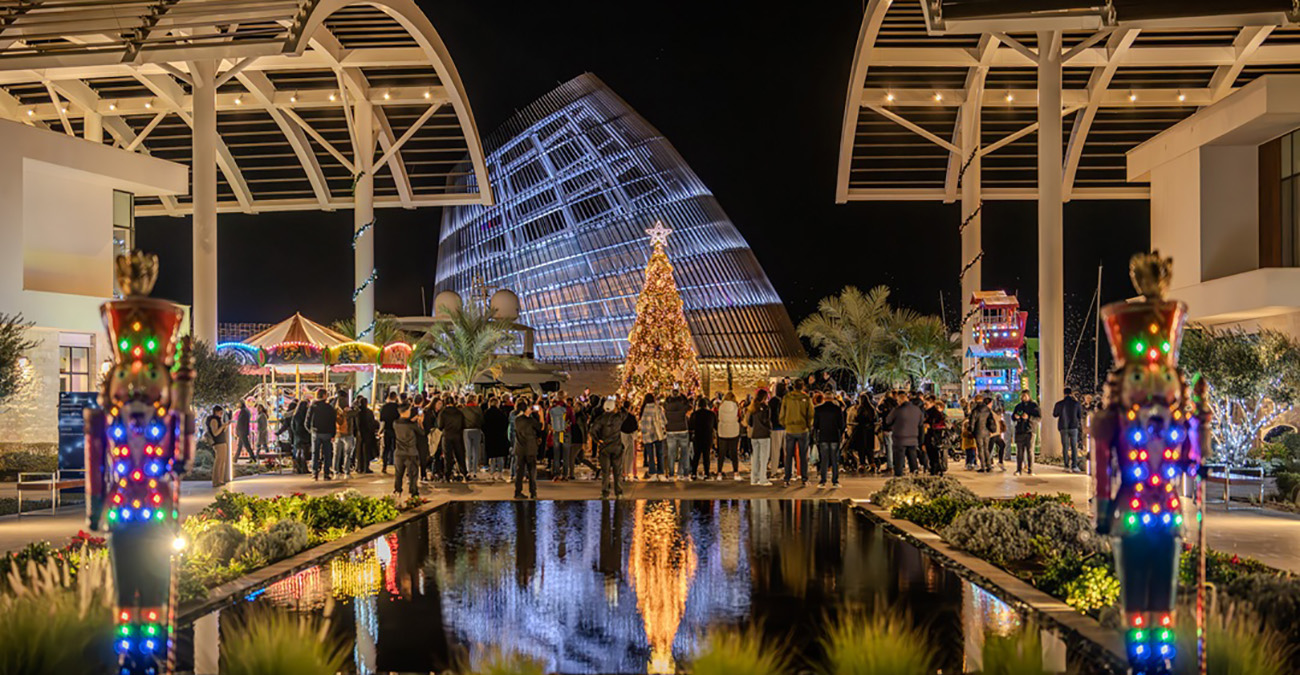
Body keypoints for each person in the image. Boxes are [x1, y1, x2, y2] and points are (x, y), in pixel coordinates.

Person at [780, 379, 814, 487]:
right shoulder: (806, 398)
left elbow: (782, 414)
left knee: (788, 455)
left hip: (790, 429)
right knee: (803, 455)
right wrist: (808, 426)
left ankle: (787, 478)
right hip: (802, 429)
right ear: (802, 386)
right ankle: (804, 478)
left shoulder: (787, 398)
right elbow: (810, 414)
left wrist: (785, 424)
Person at [591, 398, 626, 498]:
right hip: (616, 446)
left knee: (605, 471)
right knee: (617, 471)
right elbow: (625, 413)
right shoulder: (618, 418)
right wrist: (620, 405)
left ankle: (605, 492)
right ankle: (618, 492)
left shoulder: (600, 419)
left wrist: (598, 440)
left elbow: (593, 431)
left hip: (604, 447)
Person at [884, 393, 923, 477]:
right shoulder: (917, 410)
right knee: (913, 458)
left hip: (899, 439)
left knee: (899, 461)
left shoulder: (897, 410)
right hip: (913, 438)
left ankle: (898, 478)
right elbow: (920, 423)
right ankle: (915, 475)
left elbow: (888, 421)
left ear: (900, 400)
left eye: (898, 401)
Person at [812, 391, 845, 488]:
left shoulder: (818, 409)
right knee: (835, 459)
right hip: (834, 436)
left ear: (824, 398)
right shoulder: (837, 409)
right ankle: (835, 481)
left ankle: (823, 481)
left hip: (823, 436)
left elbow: (815, 425)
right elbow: (841, 425)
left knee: (824, 459)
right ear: (833, 398)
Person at [512, 400, 544, 499]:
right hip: (530, 449)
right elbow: (541, 427)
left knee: (519, 472)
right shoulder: (530, 421)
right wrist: (541, 414)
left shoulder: (517, 420)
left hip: (520, 448)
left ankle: (518, 492)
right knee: (532, 471)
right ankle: (533, 492)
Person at [305, 389, 337, 480]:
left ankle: (315, 474)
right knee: (327, 454)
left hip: (316, 433)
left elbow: (307, 421)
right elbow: (332, 421)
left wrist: (311, 431)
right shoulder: (329, 408)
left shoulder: (313, 407)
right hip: (327, 433)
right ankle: (326, 473)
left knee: (315, 454)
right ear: (324, 396)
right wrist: (333, 434)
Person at [391, 403, 422, 498]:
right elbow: (422, 432)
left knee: (398, 474)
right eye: (408, 410)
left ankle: (398, 490)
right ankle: (413, 492)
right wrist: (419, 422)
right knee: (413, 475)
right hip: (411, 452)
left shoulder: (395, 423)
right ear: (405, 412)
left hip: (399, 452)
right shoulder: (412, 425)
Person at [662, 385, 691, 480]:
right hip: (683, 429)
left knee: (671, 453)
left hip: (671, 431)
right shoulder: (683, 405)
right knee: (684, 452)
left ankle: (671, 474)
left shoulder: (667, 407)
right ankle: (685, 474)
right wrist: (682, 395)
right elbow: (688, 404)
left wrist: (669, 396)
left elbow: (664, 403)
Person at [1053, 387, 1085, 472]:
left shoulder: (1059, 404)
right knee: (1074, 446)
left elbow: (1055, 414)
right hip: (1074, 427)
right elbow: (1080, 415)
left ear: (1064, 393)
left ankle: (1066, 466)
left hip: (1063, 427)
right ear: (1071, 393)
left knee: (1065, 447)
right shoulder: (1076, 403)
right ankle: (1074, 465)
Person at [746, 390, 773, 486]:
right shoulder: (766, 408)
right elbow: (767, 421)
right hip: (764, 434)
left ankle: (754, 478)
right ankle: (763, 478)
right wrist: (770, 428)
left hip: (755, 435)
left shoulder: (752, 408)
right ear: (764, 398)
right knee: (764, 458)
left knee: (755, 458)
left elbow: (749, 422)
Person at [438, 394, 468, 480]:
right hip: (458, 435)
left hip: (447, 435)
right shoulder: (459, 412)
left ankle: (447, 474)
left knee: (448, 456)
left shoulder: (443, 412)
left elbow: (440, 426)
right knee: (460, 455)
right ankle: (464, 472)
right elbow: (463, 424)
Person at [847, 393, 878, 473]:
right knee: (870, 449)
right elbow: (875, 419)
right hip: (870, 431)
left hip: (861, 431)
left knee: (862, 449)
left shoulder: (860, 409)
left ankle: (862, 464)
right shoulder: (871, 409)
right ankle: (872, 464)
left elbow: (858, 418)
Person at [1012, 390, 1042, 475]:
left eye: (1024, 396)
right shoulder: (1018, 406)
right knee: (1019, 452)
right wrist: (1015, 417)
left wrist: (1029, 418)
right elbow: (1013, 416)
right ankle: (1018, 470)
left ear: (1029, 396)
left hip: (1030, 430)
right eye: (1022, 396)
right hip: (1019, 430)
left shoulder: (1034, 406)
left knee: (1030, 451)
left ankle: (1030, 469)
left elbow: (1038, 418)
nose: (1023, 398)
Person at [639, 393, 667, 480]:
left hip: (647, 435)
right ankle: (661, 472)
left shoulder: (644, 409)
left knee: (650, 455)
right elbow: (664, 421)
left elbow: (642, 423)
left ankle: (652, 472)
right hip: (658, 434)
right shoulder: (658, 408)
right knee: (660, 453)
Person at [688, 396, 716, 479]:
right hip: (707, 436)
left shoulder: (694, 414)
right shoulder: (711, 414)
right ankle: (706, 473)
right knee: (706, 456)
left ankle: (693, 473)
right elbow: (715, 425)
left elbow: (691, 426)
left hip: (698, 436)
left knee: (696, 455)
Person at [484, 395, 510, 481]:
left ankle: (491, 473)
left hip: (490, 437)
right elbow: (506, 424)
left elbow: (484, 425)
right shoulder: (502, 413)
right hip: (500, 436)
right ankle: (500, 473)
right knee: (500, 456)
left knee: (492, 457)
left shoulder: (487, 413)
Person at [969, 393, 996, 473]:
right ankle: (989, 466)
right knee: (986, 449)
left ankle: (983, 466)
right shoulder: (987, 409)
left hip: (978, 431)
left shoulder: (975, 410)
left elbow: (972, 422)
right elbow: (991, 420)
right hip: (987, 431)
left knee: (980, 449)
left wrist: (971, 431)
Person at [922, 395, 948, 476]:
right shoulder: (929, 412)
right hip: (932, 436)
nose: (925, 406)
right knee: (932, 454)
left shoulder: (934, 413)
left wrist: (929, 425)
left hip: (933, 436)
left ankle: (935, 469)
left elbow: (939, 424)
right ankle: (935, 469)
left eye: (926, 404)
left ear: (931, 403)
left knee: (933, 453)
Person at [333, 390, 357, 478]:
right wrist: (353, 407)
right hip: (348, 434)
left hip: (337, 434)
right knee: (347, 453)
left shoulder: (334, 411)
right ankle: (346, 472)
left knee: (336, 454)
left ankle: (336, 472)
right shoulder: (349, 412)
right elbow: (358, 411)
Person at [205, 405, 229, 487]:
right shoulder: (214, 420)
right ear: (216, 412)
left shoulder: (218, 419)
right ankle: (216, 480)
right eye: (220, 412)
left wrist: (225, 426)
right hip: (218, 443)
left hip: (222, 441)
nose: (221, 414)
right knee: (219, 461)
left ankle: (220, 479)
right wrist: (222, 426)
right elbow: (215, 433)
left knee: (222, 461)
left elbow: (222, 431)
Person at [462, 394, 485, 479]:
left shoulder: (463, 410)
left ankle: (468, 470)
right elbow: (482, 420)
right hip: (476, 430)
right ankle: (475, 470)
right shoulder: (478, 409)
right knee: (476, 451)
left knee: (468, 451)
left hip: (466, 430)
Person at [547, 397, 570, 480]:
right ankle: (565, 474)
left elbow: (547, 420)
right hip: (565, 432)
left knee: (556, 455)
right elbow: (573, 421)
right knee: (566, 455)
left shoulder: (551, 409)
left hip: (556, 432)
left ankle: (556, 474)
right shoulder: (568, 408)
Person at [354, 395, 379, 474]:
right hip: (368, 434)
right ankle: (365, 467)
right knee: (366, 452)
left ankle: (359, 467)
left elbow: (356, 424)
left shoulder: (357, 412)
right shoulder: (369, 412)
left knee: (359, 452)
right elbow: (372, 423)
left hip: (359, 434)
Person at [379, 391, 399, 473]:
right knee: (395, 448)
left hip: (387, 429)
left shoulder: (384, 407)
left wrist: (381, 430)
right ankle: (397, 466)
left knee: (386, 448)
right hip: (396, 430)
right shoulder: (398, 407)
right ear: (395, 397)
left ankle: (384, 465)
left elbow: (382, 419)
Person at [769, 381, 785, 479]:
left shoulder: (773, 401)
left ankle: (773, 471)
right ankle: (789, 471)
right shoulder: (787, 400)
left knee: (775, 451)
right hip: (787, 427)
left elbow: (770, 415)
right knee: (788, 451)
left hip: (775, 428)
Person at [619, 399, 638, 481]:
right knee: (629, 455)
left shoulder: (619, 415)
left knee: (622, 454)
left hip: (620, 435)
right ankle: (626, 472)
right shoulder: (631, 416)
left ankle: (622, 472)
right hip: (629, 436)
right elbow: (635, 427)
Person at [291, 396, 311, 474]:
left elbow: (293, 426)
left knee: (299, 452)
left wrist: (295, 433)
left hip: (297, 436)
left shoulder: (295, 415)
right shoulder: (306, 415)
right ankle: (304, 468)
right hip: (305, 436)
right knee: (304, 453)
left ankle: (299, 468)